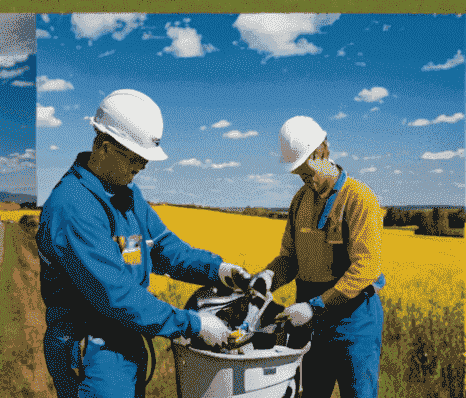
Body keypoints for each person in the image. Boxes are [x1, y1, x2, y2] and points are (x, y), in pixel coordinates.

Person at [38, 88, 249, 398]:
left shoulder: (126, 192)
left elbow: (164, 248)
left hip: (123, 341)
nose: (143, 166)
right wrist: (192, 324)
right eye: (136, 157)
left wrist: (217, 270)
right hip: (91, 350)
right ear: (106, 147)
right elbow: (115, 295)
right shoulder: (74, 206)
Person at [254, 117, 385, 398]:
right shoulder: (300, 200)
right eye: (299, 176)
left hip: (354, 321)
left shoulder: (359, 198)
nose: (305, 180)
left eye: (307, 172)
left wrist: (315, 306)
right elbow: (289, 259)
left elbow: (366, 267)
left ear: (320, 154)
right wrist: (265, 278)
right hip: (311, 322)